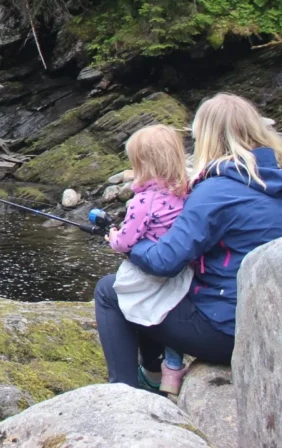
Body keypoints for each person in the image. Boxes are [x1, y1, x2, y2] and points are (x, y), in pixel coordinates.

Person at [93, 93, 282, 392]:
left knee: (109, 291)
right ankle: (152, 373)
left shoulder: (215, 192)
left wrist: (131, 246)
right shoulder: (272, 184)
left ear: (206, 137)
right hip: (267, 326)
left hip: (226, 333)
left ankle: (125, 395)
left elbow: (164, 263)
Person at [105, 125, 192, 394]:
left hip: (150, 273)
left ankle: (129, 385)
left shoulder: (142, 201)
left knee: (115, 294)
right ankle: (171, 369)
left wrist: (111, 237)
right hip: (182, 275)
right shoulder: (186, 192)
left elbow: (126, 242)